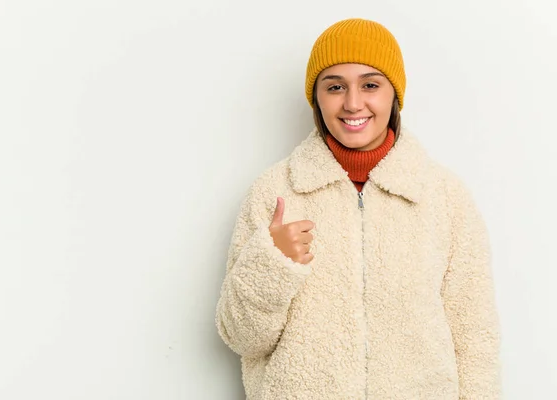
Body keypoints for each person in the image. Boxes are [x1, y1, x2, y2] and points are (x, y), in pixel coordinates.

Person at [215, 18, 501, 399]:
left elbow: (475, 336)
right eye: (335, 87)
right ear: (316, 97)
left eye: (370, 85)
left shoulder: (444, 196)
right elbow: (241, 338)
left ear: (394, 95)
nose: (352, 103)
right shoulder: (275, 193)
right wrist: (271, 264)